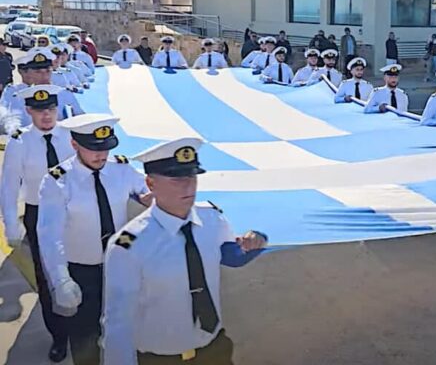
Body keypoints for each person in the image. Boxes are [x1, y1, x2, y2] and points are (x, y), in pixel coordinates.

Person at [102, 138, 268, 364]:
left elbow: (232, 256)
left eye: (191, 176)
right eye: (176, 178)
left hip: (215, 349)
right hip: (162, 359)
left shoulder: (212, 219)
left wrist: (257, 239)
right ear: (150, 184)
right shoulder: (128, 245)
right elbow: (117, 322)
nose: (188, 186)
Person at [37, 114, 152, 365]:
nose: (101, 155)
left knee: (124, 333)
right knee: (85, 339)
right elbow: (49, 236)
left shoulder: (120, 168)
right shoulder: (57, 182)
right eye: (93, 149)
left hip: (120, 267)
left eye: (106, 148)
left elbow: (147, 193)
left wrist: (153, 198)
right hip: (83, 272)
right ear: (75, 145)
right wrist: (61, 280)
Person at [0, 85, 75, 362]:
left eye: (51, 109)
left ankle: (81, 330)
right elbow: (9, 187)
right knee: (47, 278)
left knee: (80, 271)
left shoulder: (70, 136)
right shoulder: (20, 142)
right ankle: (59, 336)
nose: (47, 115)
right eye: (40, 110)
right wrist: (11, 225)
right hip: (39, 213)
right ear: (29, 111)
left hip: (73, 211)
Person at [0, 51, 83, 128]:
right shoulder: (20, 97)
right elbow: (11, 122)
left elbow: (80, 118)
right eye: (38, 72)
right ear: (28, 73)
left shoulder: (64, 94)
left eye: (48, 71)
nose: (44, 75)